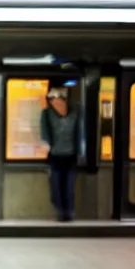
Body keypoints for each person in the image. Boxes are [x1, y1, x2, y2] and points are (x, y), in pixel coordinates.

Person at [40, 85, 82, 222]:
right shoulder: (47, 113)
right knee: (58, 186)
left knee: (66, 186)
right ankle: (63, 210)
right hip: (57, 155)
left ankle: (67, 211)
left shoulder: (75, 112)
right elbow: (45, 133)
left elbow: (80, 134)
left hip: (67, 156)